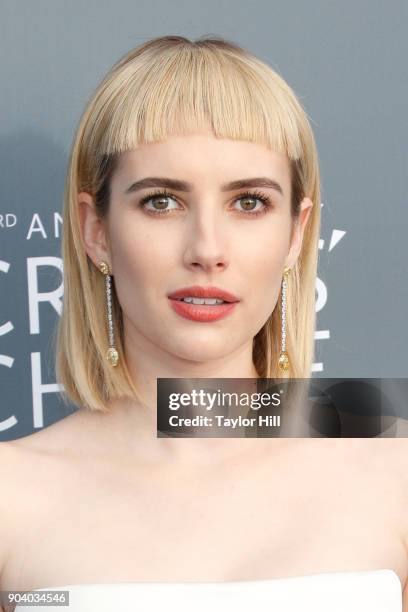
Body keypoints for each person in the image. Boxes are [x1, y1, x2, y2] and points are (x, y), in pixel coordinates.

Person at [0, 35, 407, 612]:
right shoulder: (9, 497)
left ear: (296, 233)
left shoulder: (395, 474)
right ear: (96, 231)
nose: (207, 249)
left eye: (248, 203)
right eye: (163, 201)